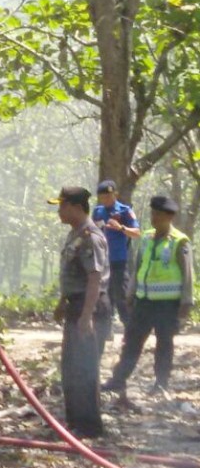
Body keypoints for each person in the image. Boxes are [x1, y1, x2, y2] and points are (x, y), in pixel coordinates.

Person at [103, 196, 193, 396]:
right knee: (131, 342)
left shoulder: (179, 242)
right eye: (153, 213)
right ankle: (118, 380)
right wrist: (130, 293)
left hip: (167, 304)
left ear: (169, 217)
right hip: (143, 302)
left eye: (158, 214)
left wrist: (186, 304)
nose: (154, 218)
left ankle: (161, 383)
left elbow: (187, 275)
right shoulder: (146, 238)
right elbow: (138, 267)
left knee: (164, 344)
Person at [49, 186, 111, 438]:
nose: (59, 212)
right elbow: (73, 276)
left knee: (86, 368)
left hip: (90, 307)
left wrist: (86, 316)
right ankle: (75, 422)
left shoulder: (90, 237)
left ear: (76, 207)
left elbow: (94, 279)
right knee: (71, 367)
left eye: (62, 206)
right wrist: (63, 302)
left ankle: (90, 427)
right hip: (76, 305)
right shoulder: (74, 235)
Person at [92, 180, 141, 331]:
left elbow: (137, 233)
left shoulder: (125, 211)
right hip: (101, 261)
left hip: (119, 260)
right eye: (102, 197)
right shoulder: (97, 212)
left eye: (109, 196)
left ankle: (130, 330)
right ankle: (105, 331)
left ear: (115, 194)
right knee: (103, 296)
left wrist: (121, 228)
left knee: (122, 295)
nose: (106, 200)